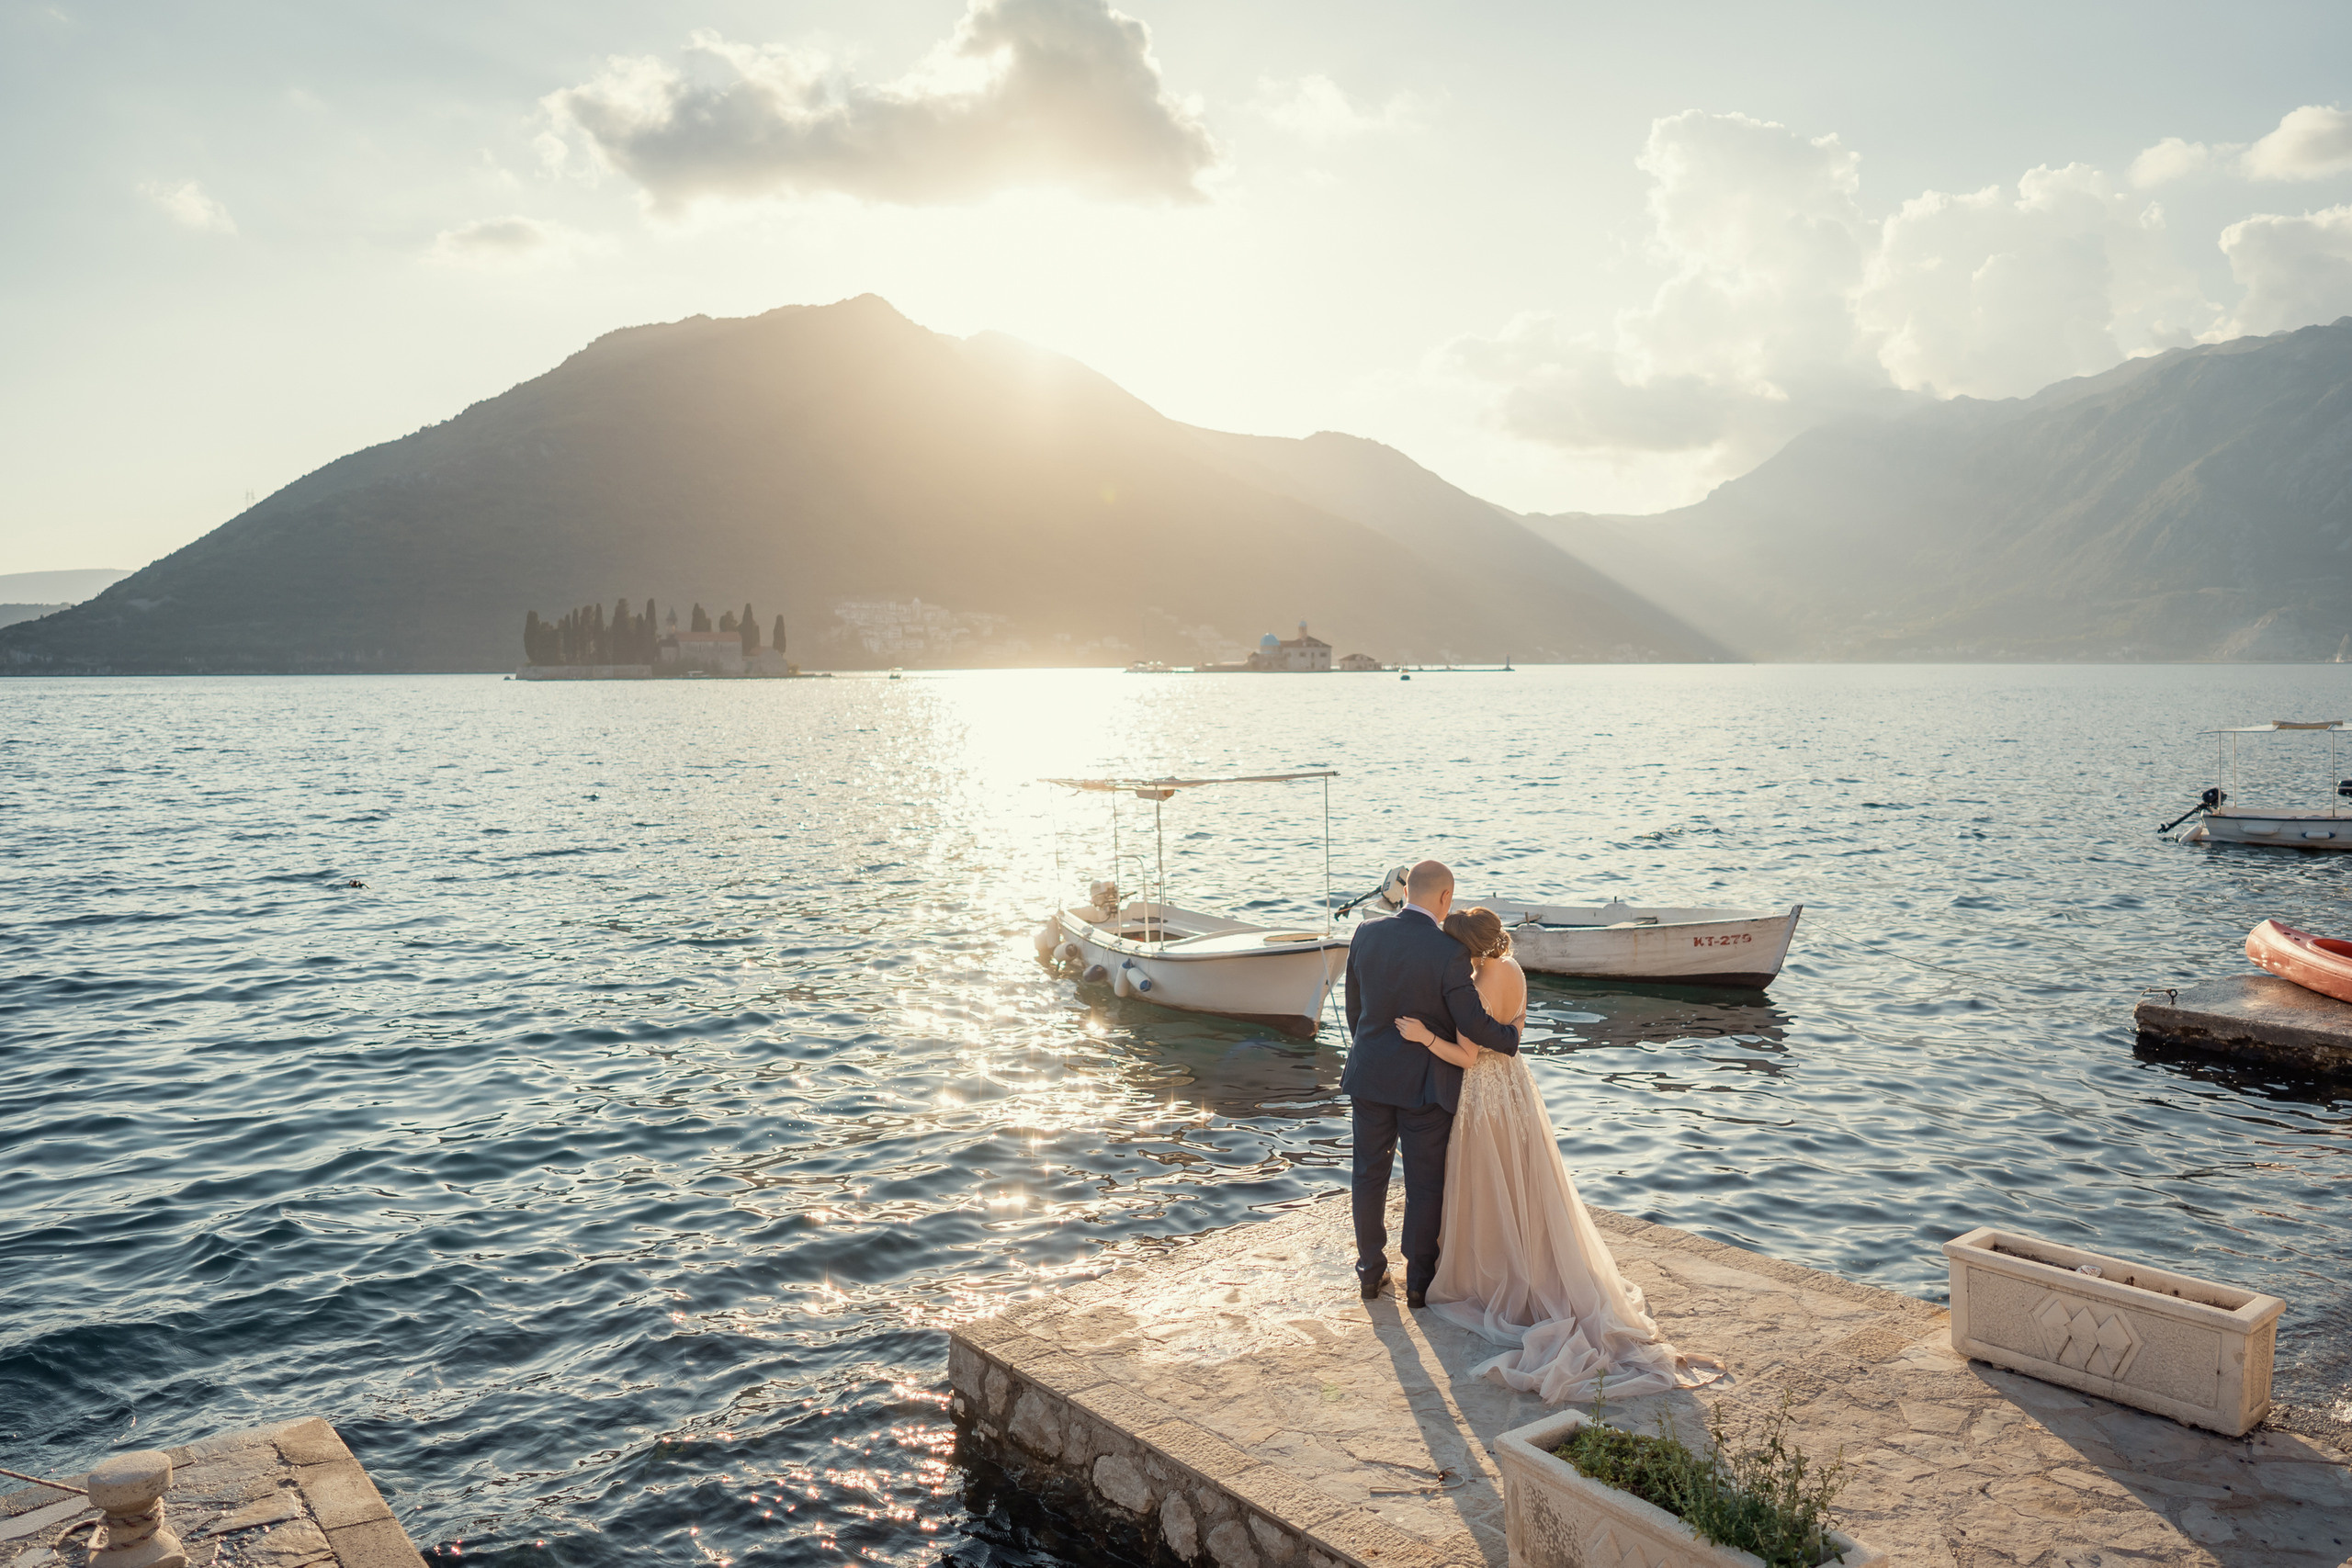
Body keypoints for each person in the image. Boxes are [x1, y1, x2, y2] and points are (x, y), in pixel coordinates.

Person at [1396, 908, 1723, 1401]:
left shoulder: (1476, 983)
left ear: (1465, 946)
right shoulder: (1515, 970)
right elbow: (1513, 1037)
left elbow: (1466, 1056)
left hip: (1484, 1095)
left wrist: (1425, 1037)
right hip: (1519, 1089)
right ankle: (1533, 1260)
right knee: (1527, 1180)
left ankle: (1503, 1273)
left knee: (1492, 1183)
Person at [1340, 860, 1521, 1307]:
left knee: (1368, 1174)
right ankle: (1418, 1282)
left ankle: (1370, 1272)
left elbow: (1354, 1009)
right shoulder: (1449, 952)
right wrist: (1511, 1035)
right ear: (1445, 898)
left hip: (1369, 1076)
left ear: (1405, 891)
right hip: (1426, 1085)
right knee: (1424, 1182)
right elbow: (1472, 1022)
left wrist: (1373, 1051)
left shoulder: (1366, 933)